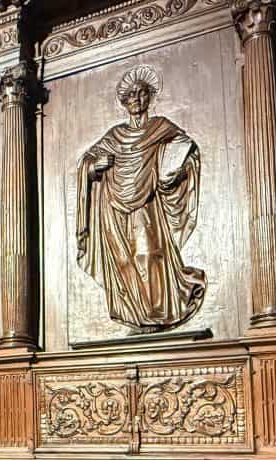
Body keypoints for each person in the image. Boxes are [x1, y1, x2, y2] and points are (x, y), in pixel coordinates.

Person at [76, 65, 206, 332]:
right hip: (113, 207)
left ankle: (156, 312)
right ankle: (134, 314)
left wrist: (177, 172)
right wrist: (94, 167)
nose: (136, 98)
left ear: (149, 97)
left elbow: (186, 150)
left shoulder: (161, 127)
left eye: (141, 93)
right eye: (130, 95)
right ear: (124, 102)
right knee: (123, 261)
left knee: (148, 254)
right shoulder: (115, 136)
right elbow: (87, 161)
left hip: (147, 205)